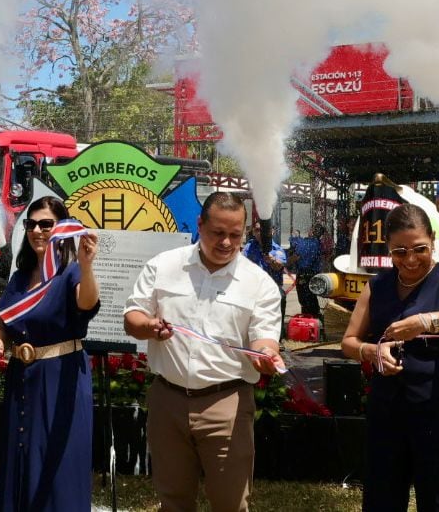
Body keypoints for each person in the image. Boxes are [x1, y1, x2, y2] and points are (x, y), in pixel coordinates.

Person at [123, 192, 283, 512]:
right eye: (217, 233)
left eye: (235, 235)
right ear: (200, 224)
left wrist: (264, 356)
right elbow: (133, 318)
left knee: (230, 503)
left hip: (226, 405)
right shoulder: (164, 266)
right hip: (167, 400)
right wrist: (150, 326)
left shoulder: (259, 283)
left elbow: (265, 340)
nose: (226, 242)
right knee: (173, 501)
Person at [341, 203, 439, 511]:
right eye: (399, 252)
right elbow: (349, 342)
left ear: (433, 240)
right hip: (388, 407)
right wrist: (372, 351)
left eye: (419, 249)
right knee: (383, 495)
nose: (410, 260)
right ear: (388, 249)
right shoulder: (377, 285)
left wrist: (425, 321)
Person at [0, 197, 100, 511]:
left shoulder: (71, 273)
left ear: (60, 229)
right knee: (19, 455)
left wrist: (87, 267)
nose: (37, 230)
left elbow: (87, 304)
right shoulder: (20, 277)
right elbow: (5, 321)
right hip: (22, 377)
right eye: (31, 224)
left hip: (60, 377)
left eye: (46, 224)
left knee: (57, 461)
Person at [244, 231, 288, 331]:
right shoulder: (249, 246)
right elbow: (241, 260)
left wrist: (271, 260)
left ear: (271, 232)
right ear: (254, 232)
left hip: (272, 287)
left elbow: (279, 266)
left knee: (281, 297)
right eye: (257, 230)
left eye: (263, 230)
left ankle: (278, 335)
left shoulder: (276, 249)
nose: (260, 233)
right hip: (252, 286)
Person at [290, 226, 326, 319]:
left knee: (304, 299)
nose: (308, 231)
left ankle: (309, 320)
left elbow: (296, 256)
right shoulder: (318, 243)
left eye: (310, 229)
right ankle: (315, 318)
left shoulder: (308, 243)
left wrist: (285, 263)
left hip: (304, 274)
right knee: (311, 297)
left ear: (313, 232)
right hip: (313, 274)